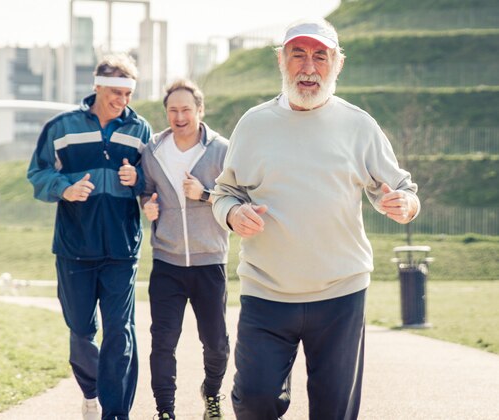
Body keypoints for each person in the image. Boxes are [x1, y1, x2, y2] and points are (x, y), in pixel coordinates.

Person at [211, 18, 421, 420]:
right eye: (298, 55)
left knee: (334, 412)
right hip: (266, 292)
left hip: (340, 293)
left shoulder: (359, 125)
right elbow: (224, 193)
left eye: (320, 56)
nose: (309, 67)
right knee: (254, 400)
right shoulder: (253, 125)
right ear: (282, 62)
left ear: (337, 64)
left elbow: (401, 188)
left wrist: (404, 204)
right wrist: (234, 213)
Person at [27, 53, 152, 420]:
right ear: (96, 86)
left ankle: (116, 413)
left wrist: (137, 181)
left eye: (128, 94)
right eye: (115, 92)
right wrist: (64, 188)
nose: (122, 101)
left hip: (121, 248)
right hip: (74, 248)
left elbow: (150, 181)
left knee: (119, 331)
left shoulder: (139, 129)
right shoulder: (62, 127)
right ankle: (92, 390)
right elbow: (38, 175)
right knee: (81, 330)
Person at [140, 79, 230, 420]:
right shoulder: (152, 152)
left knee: (217, 344)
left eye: (186, 110)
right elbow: (146, 191)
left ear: (200, 111)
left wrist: (204, 194)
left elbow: (241, 197)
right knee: (163, 341)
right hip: (167, 262)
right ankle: (165, 411)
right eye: (173, 110)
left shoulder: (222, 150)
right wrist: (147, 205)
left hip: (210, 261)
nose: (179, 117)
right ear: (166, 112)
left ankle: (212, 393)